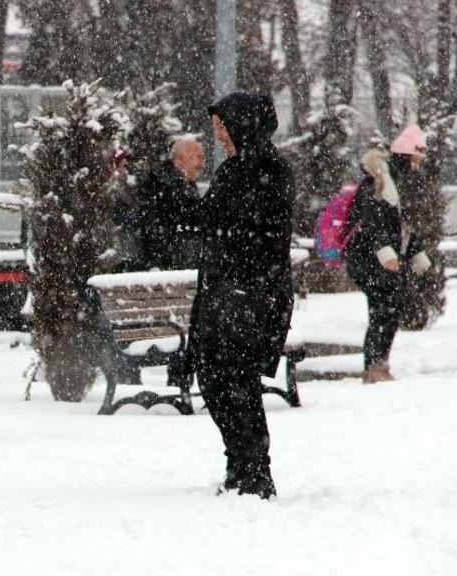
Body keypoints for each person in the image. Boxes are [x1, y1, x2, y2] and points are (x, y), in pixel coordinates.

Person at [182, 92, 295, 500]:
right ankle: (242, 466)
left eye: (223, 129)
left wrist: (179, 196)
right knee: (219, 380)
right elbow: (215, 222)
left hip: (246, 296)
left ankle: (253, 473)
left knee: (233, 383)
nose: (220, 138)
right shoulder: (248, 169)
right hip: (238, 294)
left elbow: (220, 223)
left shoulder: (257, 170)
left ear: (242, 126)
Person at [345, 125, 432, 384]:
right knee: (385, 309)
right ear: (407, 154)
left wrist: (415, 252)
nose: (419, 162)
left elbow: (398, 226)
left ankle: (377, 365)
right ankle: (375, 367)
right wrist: (385, 252)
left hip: (374, 259)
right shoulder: (379, 181)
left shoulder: (389, 179)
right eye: (418, 156)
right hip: (369, 260)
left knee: (387, 309)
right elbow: (374, 222)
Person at [136, 138, 206, 269]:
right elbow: (156, 231)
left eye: (203, 158)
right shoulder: (158, 186)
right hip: (165, 270)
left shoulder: (186, 184)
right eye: (198, 157)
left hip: (178, 266)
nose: (203, 165)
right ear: (179, 161)